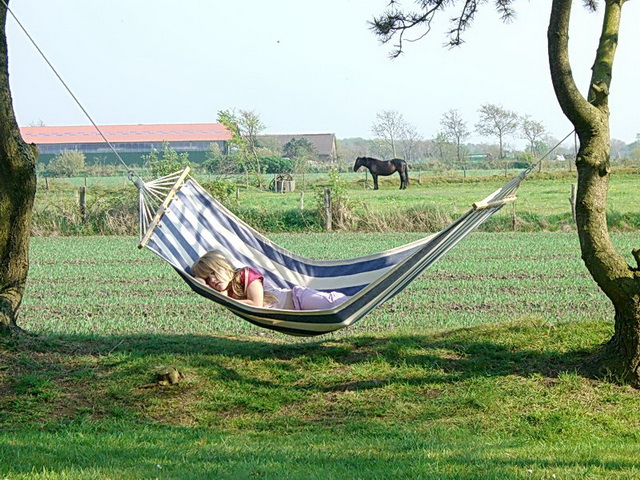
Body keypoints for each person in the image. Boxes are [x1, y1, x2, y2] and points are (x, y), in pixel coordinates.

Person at [190, 250, 349, 310]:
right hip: (293, 315)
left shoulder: (245, 274)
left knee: (339, 305)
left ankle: (365, 297)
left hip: (298, 300)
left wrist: (223, 298)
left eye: (213, 272)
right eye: (207, 279)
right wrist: (201, 282)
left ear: (224, 267)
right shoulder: (224, 294)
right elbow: (202, 284)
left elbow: (256, 304)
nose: (212, 279)